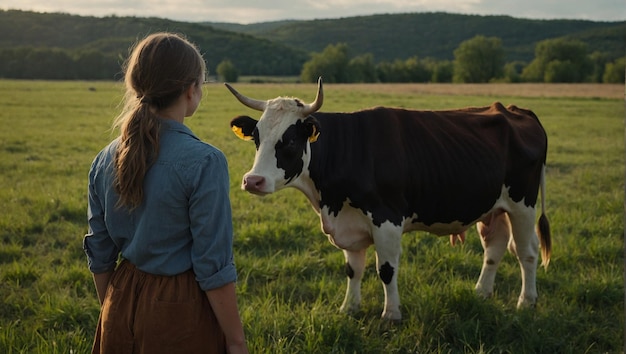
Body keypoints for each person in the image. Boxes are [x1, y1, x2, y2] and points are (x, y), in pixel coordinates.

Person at [83, 32, 248, 354]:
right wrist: (236, 340)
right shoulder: (206, 161)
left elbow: (100, 254)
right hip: (181, 310)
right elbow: (212, 264)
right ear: (191, 89)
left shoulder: (104, 157)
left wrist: (114, 310)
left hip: (119, 298)